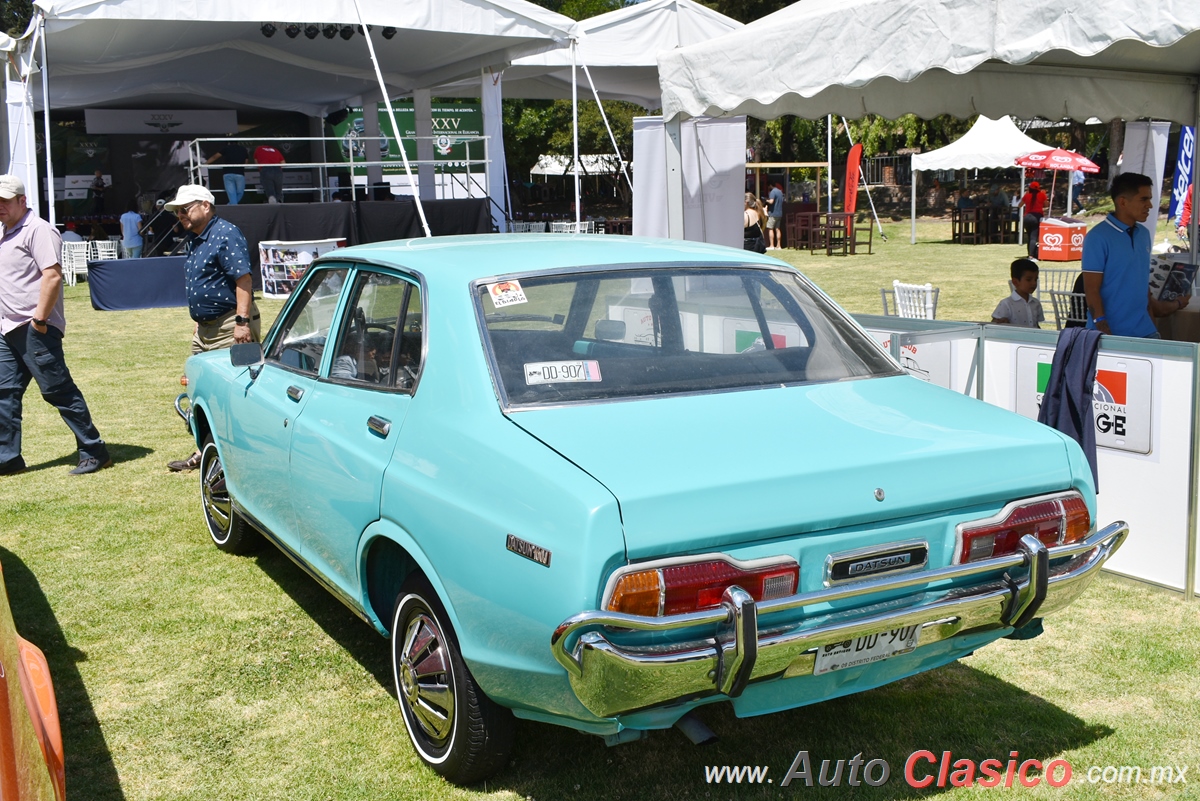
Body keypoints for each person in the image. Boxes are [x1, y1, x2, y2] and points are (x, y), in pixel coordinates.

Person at [0, 175, 111, 475]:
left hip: (34, 327)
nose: (0, 207)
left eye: (5, 201)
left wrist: (39, 321)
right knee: (4, 393)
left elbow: (52, 276)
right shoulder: (6, 232)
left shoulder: (38, 230)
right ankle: (7, 458)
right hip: (7, 329)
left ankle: (94, 450)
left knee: (57, 390)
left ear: (22, 201)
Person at [164, 184, 261, 471]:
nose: (180, 214)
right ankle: (205, 450)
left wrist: (241, 323)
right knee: (201, 390)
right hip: (207, 329)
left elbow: (243, 280)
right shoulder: (196, 238)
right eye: (177, 211)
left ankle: (241, 459)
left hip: (231, 325)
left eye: (185, 208)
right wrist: (199, 321)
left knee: (237, 391)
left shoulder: (225, 233)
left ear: (206, 206)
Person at [1082, 172, 1189, 338]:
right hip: (1110, 334)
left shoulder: (1143, 234)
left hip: (1145, 331)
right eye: (1143, 199)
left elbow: (1141, 285)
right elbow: (1091, 289)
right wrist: (1102, 328)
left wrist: (1154, 327)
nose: (1150, 205)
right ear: (1123, 202)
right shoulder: (1097, 237)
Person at [991, 258, 1045, 328]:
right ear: (1015, 282)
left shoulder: (1036, 303)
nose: (1034, 283)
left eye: (1035, 279)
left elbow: (1036, 325)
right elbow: (994, 325)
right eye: (1028, 280)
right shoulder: (1006, 304)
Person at [1020, 180, 1047, 258]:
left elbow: (1020, 205)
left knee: (1029, 237)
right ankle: (1031, 255)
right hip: (1037, 216)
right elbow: (1046, 205)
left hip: (1027, 217)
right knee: (1034, 237)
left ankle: (1030, 253)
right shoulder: (1042, 195)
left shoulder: (1027, 195)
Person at [764, 182, 785, 249]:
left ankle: (772, 245)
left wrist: (766, 200)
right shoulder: (780, 192)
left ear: (770, 185)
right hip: (779, 213)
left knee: (770, 229)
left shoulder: (772, 192)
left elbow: (771, 201)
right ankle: (779, 246)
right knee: (777, 229)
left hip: (773, 213)